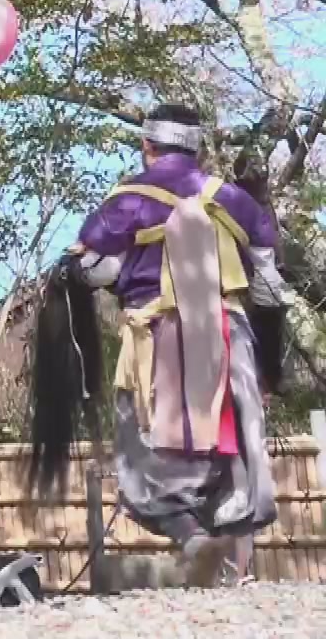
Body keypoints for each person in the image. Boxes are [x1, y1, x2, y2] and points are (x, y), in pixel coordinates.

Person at [55, 104, 285, 587]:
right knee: (232, 460)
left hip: (157, 340)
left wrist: (72, 271)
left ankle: (195, 542)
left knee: (146, 461)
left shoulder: (129, 200)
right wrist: (269, 368)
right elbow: (268, 288)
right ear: (197, 148)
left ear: (147, 146)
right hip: (232, 342)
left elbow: (103, 270)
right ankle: (234, 576)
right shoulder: (234, 200)